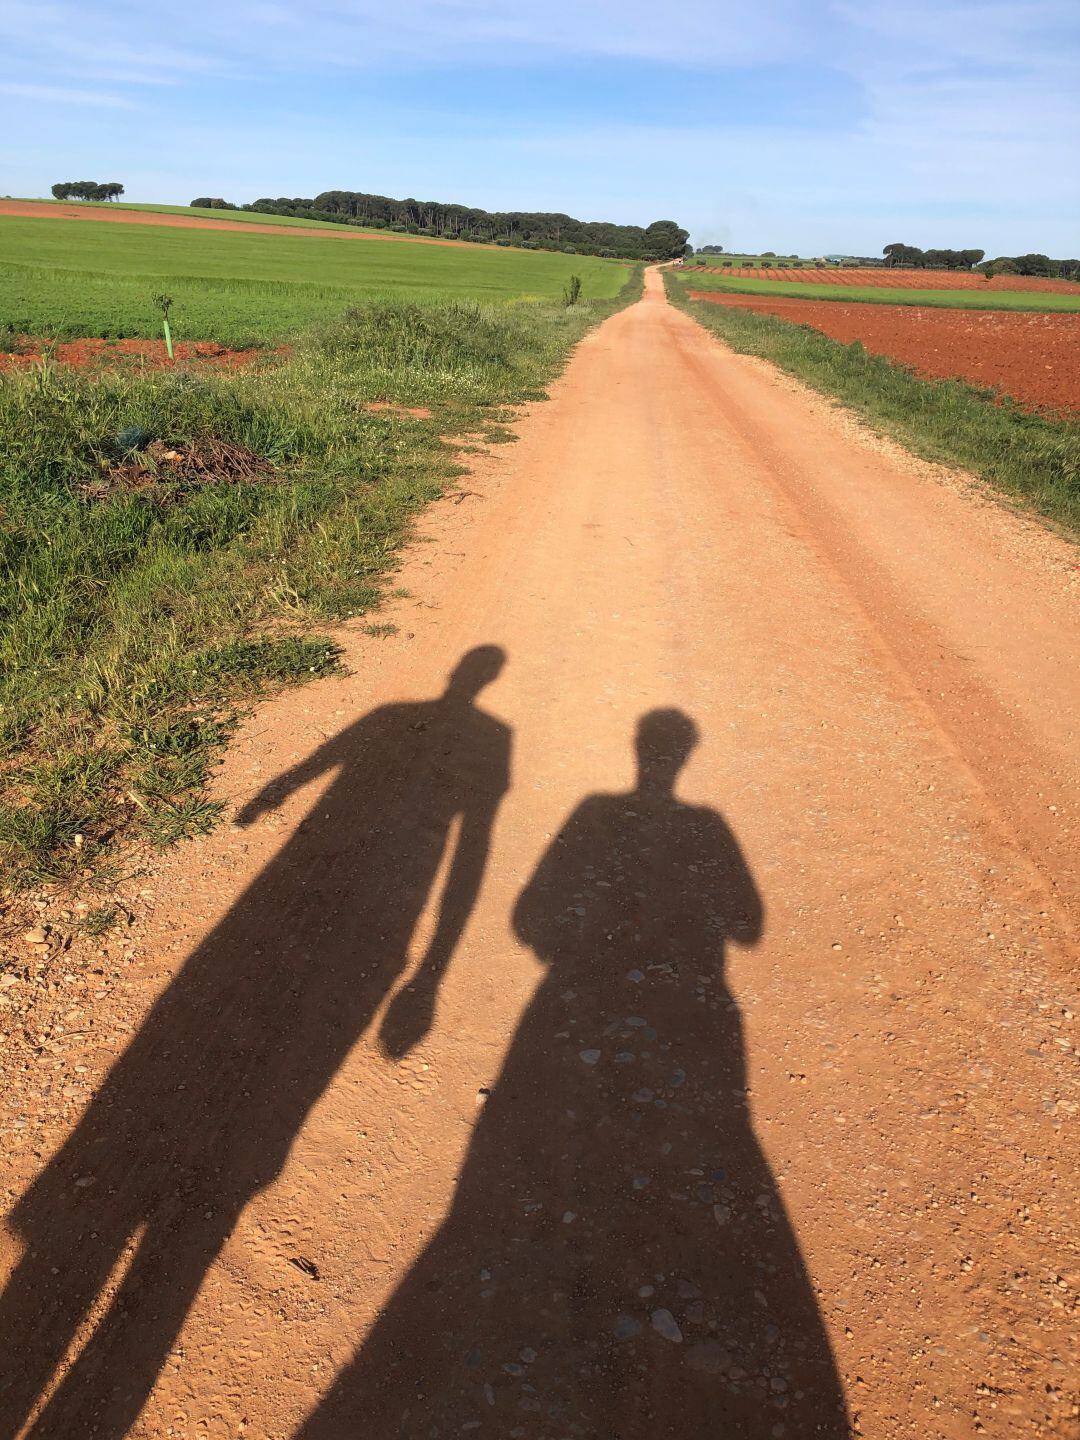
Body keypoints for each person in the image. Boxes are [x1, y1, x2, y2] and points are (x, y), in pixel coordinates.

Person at [0, 646, 510, 1440]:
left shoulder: (463, 730)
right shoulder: (446, 726)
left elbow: (471, 836)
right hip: (367, 897)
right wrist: (279, 785)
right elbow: (372, 782)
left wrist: (435, 969)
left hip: (390, 904)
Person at [297, 709, 848, 1438]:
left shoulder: (593, 812)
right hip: (702, 1013)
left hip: (566, 995)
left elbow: (528, 920)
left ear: (639, 750)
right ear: (683, 757)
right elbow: (748, 926)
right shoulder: (708, 825)